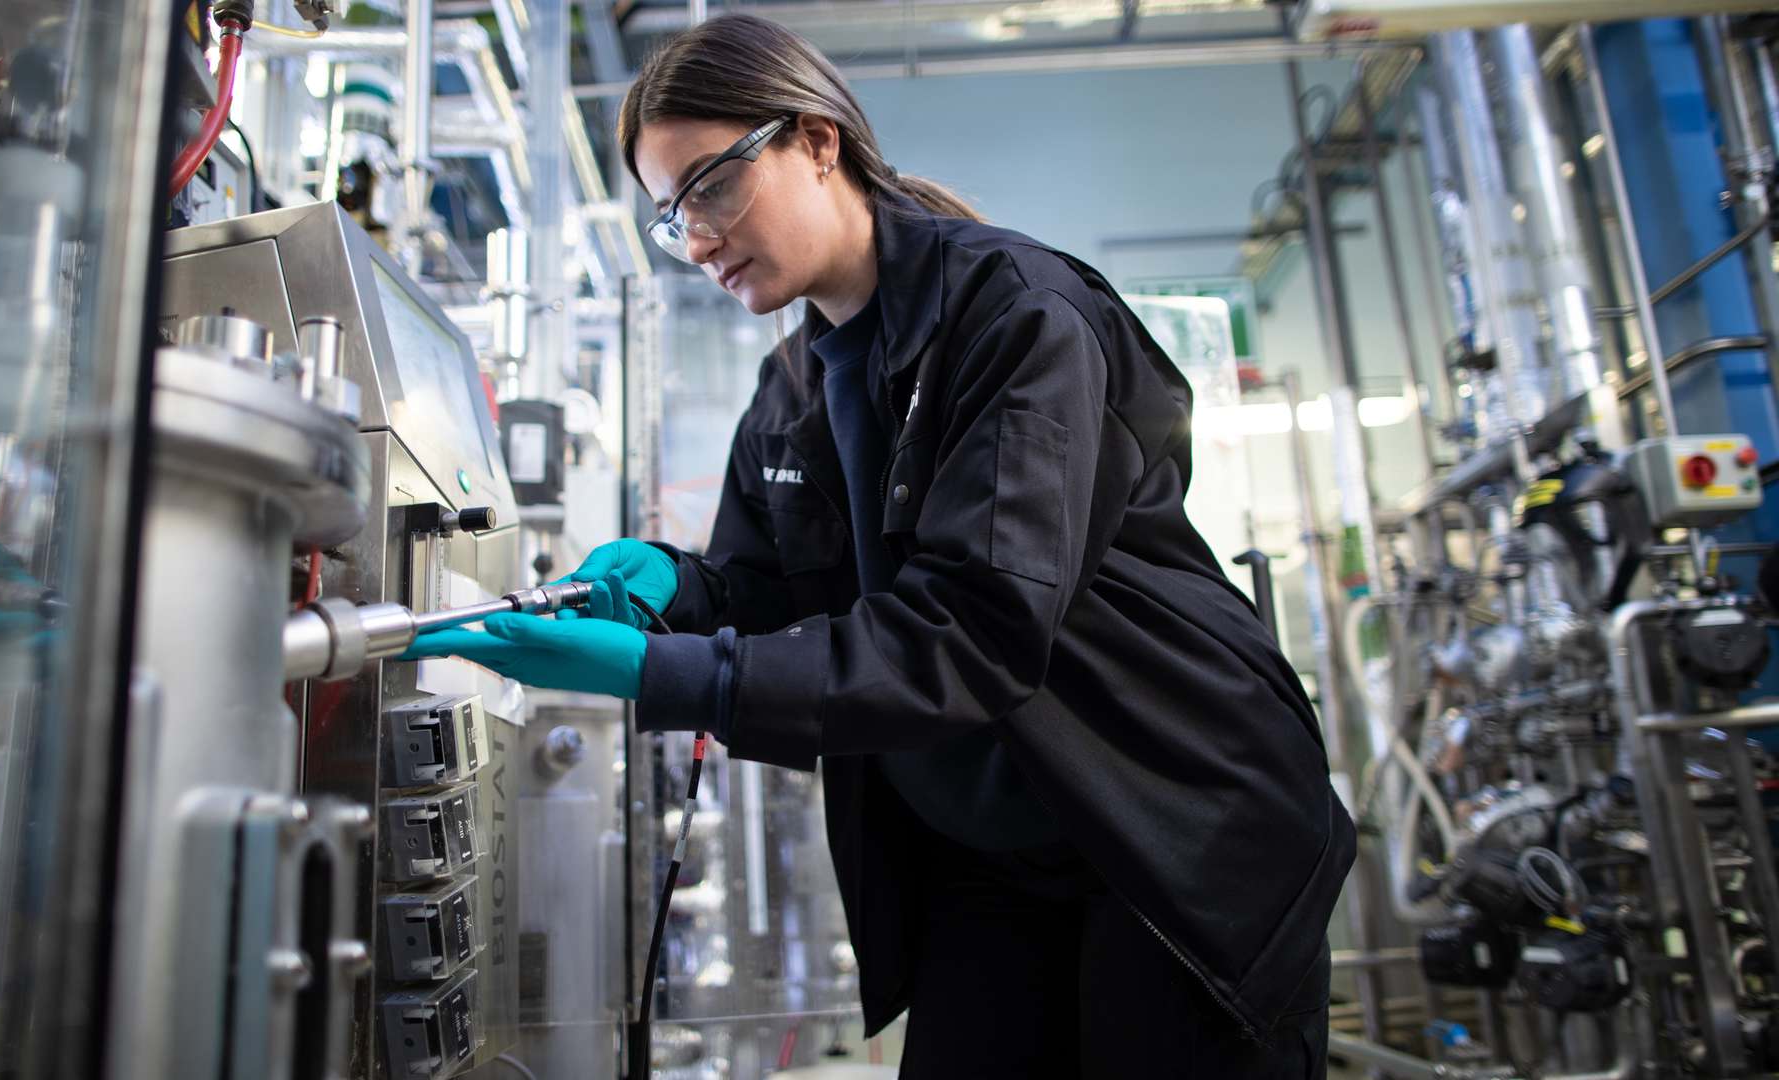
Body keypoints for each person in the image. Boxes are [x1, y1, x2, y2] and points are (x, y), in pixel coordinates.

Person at [404, 14, 1353, 1077]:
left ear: (816, 141)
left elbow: (974, 628)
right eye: (672, 216)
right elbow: (772, 589)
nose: (698, 238)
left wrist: (663, 675)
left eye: (710, 187)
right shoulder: (794, 385)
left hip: (1166, 826)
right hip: (984, 854)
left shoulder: (1014, 315)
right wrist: (672, 590)